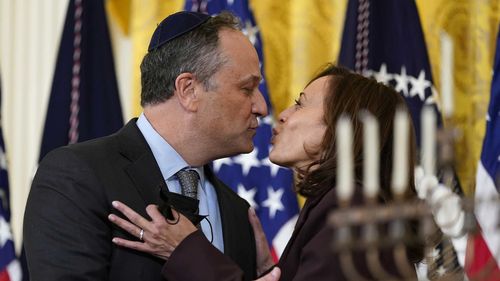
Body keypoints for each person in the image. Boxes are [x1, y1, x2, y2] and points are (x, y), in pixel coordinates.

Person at [108, 64, 424, 280]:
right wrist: (273, 272)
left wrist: (186, 250)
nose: (282, 115)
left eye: (301, 104)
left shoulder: (353, 207)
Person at [23, 11, 269, 281]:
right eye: (247, 89)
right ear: (188, 90)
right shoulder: (77, 177)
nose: (261, 107)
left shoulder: (239, 212)